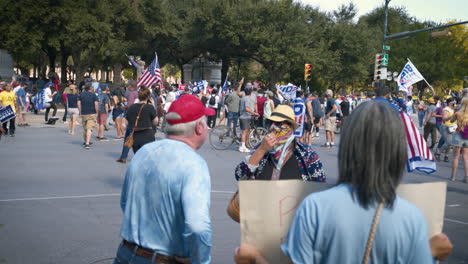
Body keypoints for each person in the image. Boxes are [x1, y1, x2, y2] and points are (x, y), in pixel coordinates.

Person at [234, 101, 453, 264]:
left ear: (347, 146)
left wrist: (255, 258)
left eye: (280, 124)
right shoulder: (412, 218)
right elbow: (241, 177)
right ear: (397, 153)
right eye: (272, 123)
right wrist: (429, 252)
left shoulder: (316, 207)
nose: (274, 128)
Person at [112, 94, 215, 264]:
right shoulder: (194, 164)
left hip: (126, 253)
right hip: (162, 259)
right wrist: (201, 261)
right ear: (199, 127)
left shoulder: (144, 152)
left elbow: (126, 203)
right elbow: (198, 227)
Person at [235, 105, 325, 182]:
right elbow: (240, 175)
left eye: (279, 123)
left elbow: (319, 188)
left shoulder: (307, 155)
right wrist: (261, 150)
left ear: (291, 127)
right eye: (270, 122)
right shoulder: (262, 148)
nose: (273, 127)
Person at [125, 89, 158, 153]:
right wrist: (153, 106)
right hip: (147, 134)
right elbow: (155, 121)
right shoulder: (150, 107)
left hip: (135, 135)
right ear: (148, 97)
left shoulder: (132, 107)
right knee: (147, 157)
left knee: (138, 156)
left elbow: (126, 122)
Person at [117, 82, 139, 163]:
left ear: (131, 86)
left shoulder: (132, 94)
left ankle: (123, 156)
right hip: (139, 117)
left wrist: (124, 107)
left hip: (131, 117)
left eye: (128, 85)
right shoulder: (138, 93)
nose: (127, 87)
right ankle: (138, 156)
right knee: (136, 138)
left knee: (128, 138)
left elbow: (130, 105)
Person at [450, 98, 468, 183]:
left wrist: (455, 111)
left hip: (458, 135)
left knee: (456, 157)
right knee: (466, 158)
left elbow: (451, 120)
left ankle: (453, 176)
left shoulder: (458, 113)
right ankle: (466, 177)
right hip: (467, 137)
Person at [78, 83, 98, 149]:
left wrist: (80, 111)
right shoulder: (93, 95)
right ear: (90, 88)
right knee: (89, 128)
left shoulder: (81, 94)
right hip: (92, 113)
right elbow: (96, 104)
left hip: (84, 113)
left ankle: (85, 140)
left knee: (85, 128)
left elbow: (78, 103)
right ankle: (87, 143)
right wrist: (97, 112)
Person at [435, 97, 456, 162]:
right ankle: (438, 152)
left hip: (453, 127)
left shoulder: (453, 109)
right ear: (449, 102)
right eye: (453, 101)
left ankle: (446, 156)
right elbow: (444, 119)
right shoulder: (446, 109)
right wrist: (453, 115)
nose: (455, 102)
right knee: (449, 143)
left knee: (450, 143)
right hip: (446, 127)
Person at [239, 86, 258, 153]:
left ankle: (243, 145)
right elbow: (247, 109)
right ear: (250, 92)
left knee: (246, 131)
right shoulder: (246, 99)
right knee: (244, 132)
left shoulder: (243, 98)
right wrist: (254, 113)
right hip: (245, 117)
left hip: (244, 116)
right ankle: (242, 147)